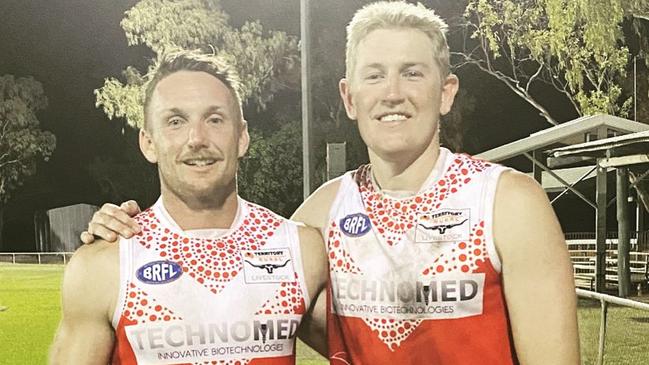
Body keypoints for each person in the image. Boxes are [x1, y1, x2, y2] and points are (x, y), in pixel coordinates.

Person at [81, 2, 580, 364]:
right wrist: (120, 230)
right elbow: (234, 295)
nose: (392, 93)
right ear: (348, 96)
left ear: (445, 92)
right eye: (373, 75)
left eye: (412, 73)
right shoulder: (320, 216)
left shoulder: (507, 202)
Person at [51, 49, 327, 365]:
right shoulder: (103, 265)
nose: (197, 138)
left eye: (214, 119)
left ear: (241, 137)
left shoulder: (301, 250)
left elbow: (372, 350)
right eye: (176, 121)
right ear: (148, 143)